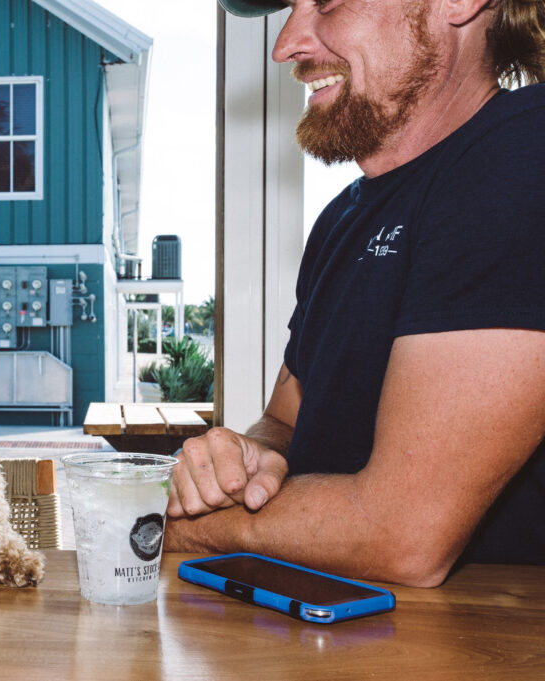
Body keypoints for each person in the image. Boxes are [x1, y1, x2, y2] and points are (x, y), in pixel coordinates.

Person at [164, 0, 545, 587]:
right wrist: (242, 460)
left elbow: (403, 536)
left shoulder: (525, 154)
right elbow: (284, 421)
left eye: (328, 2)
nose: (286, 44)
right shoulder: (342, 220)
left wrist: (184, 524)